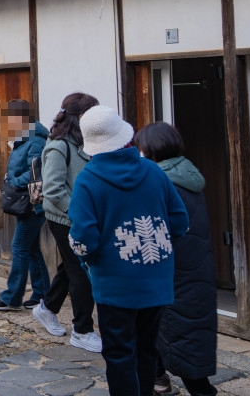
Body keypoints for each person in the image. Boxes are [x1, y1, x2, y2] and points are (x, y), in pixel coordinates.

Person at [68, 106, 189, 396]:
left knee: (119, 353)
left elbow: (84, 238)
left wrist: (86, 258)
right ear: (125, 135)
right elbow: (180, 222)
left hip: (114, 282)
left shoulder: (88, 179)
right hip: (156, 278)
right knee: (147, 350)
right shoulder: (154, 171)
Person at [136, 122, 218, 396]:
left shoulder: (161, 181)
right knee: (173, 333)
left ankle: (199, 390)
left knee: (179, 338)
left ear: (151, 149)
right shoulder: (187, 173)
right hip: (194, 266)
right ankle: (160, 379)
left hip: (173, 270)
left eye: (142, 148)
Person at [30, 93, 102, 353]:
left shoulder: (81, 141)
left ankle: (47, 307)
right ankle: (82, 330)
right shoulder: (59, 146)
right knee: (82, 273)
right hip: (65, 218)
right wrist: (81, 214)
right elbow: (54, 189)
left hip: (80, 216)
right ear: (80, 117)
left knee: (70, 267)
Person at [0, 99, 50, 311]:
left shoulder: (35, 140)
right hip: (24, 201)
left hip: (32, 202)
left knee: (19, 246)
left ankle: (12, 297)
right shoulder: (26, 138)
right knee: (31, 248)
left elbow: (36, 171)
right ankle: (43, 294)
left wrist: (12, 181)